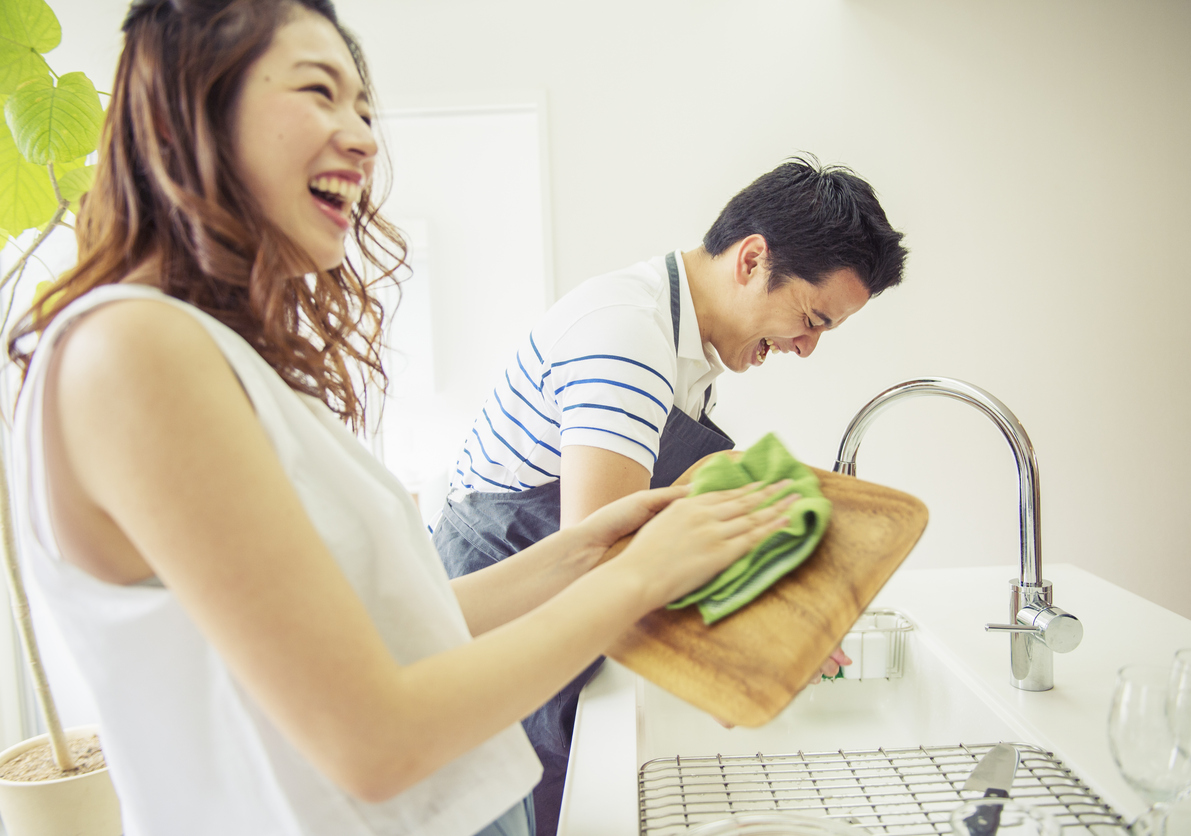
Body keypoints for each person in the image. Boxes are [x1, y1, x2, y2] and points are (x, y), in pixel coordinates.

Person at [5, 2, 800, 834]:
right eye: (320, 91)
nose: (363, 137)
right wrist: (638, 576)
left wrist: (582, 554)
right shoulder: (133, 349)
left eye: (364, 109)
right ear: (190, 106)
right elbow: (372, 740)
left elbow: (390, 629)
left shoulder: (207, 354)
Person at [432, 156, 908, 835]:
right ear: (751, 260)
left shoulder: (680, 341)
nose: (806, 347)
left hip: (549, 595)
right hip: (506, 602)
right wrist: (740, 655)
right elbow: (601, 558)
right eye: (811, 318)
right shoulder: (628, 339)